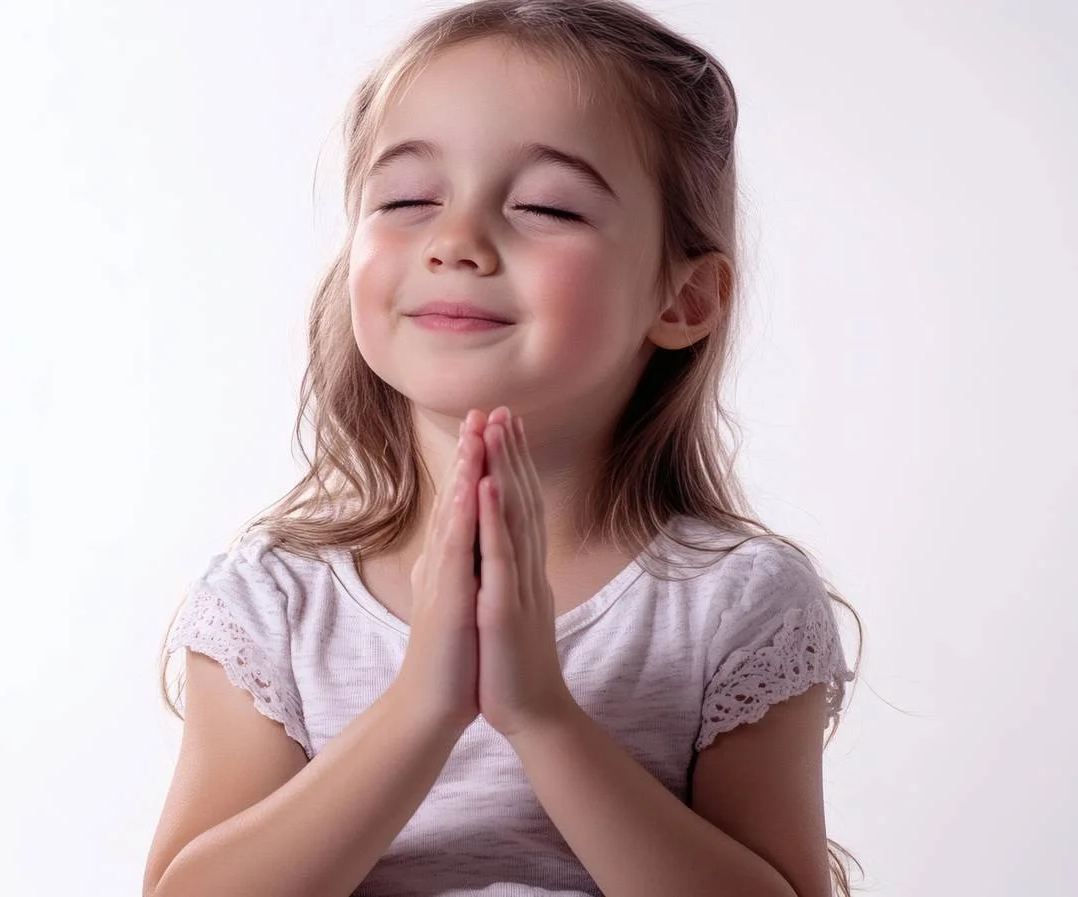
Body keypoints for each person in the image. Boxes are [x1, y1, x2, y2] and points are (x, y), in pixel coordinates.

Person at [143, 2, 864, 895]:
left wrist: (541, 716)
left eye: (546, 206)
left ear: (683, 298)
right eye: (408, 199)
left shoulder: (735, 603)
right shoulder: (275, 602)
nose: (456, 242)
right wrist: (421, 707)